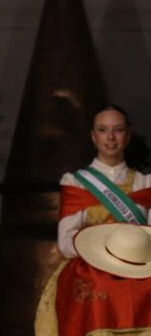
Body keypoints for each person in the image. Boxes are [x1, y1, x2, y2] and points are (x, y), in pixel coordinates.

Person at [35, 104, 151, 335]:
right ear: (93, 135)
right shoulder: (76, 182)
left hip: (139, 266)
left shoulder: (145, 183)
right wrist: (99, 251)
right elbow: (66, 243)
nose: (110, 137)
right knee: (96, 287)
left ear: (128, 135)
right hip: (90, 266)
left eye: (117, 129)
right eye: (102, 129)